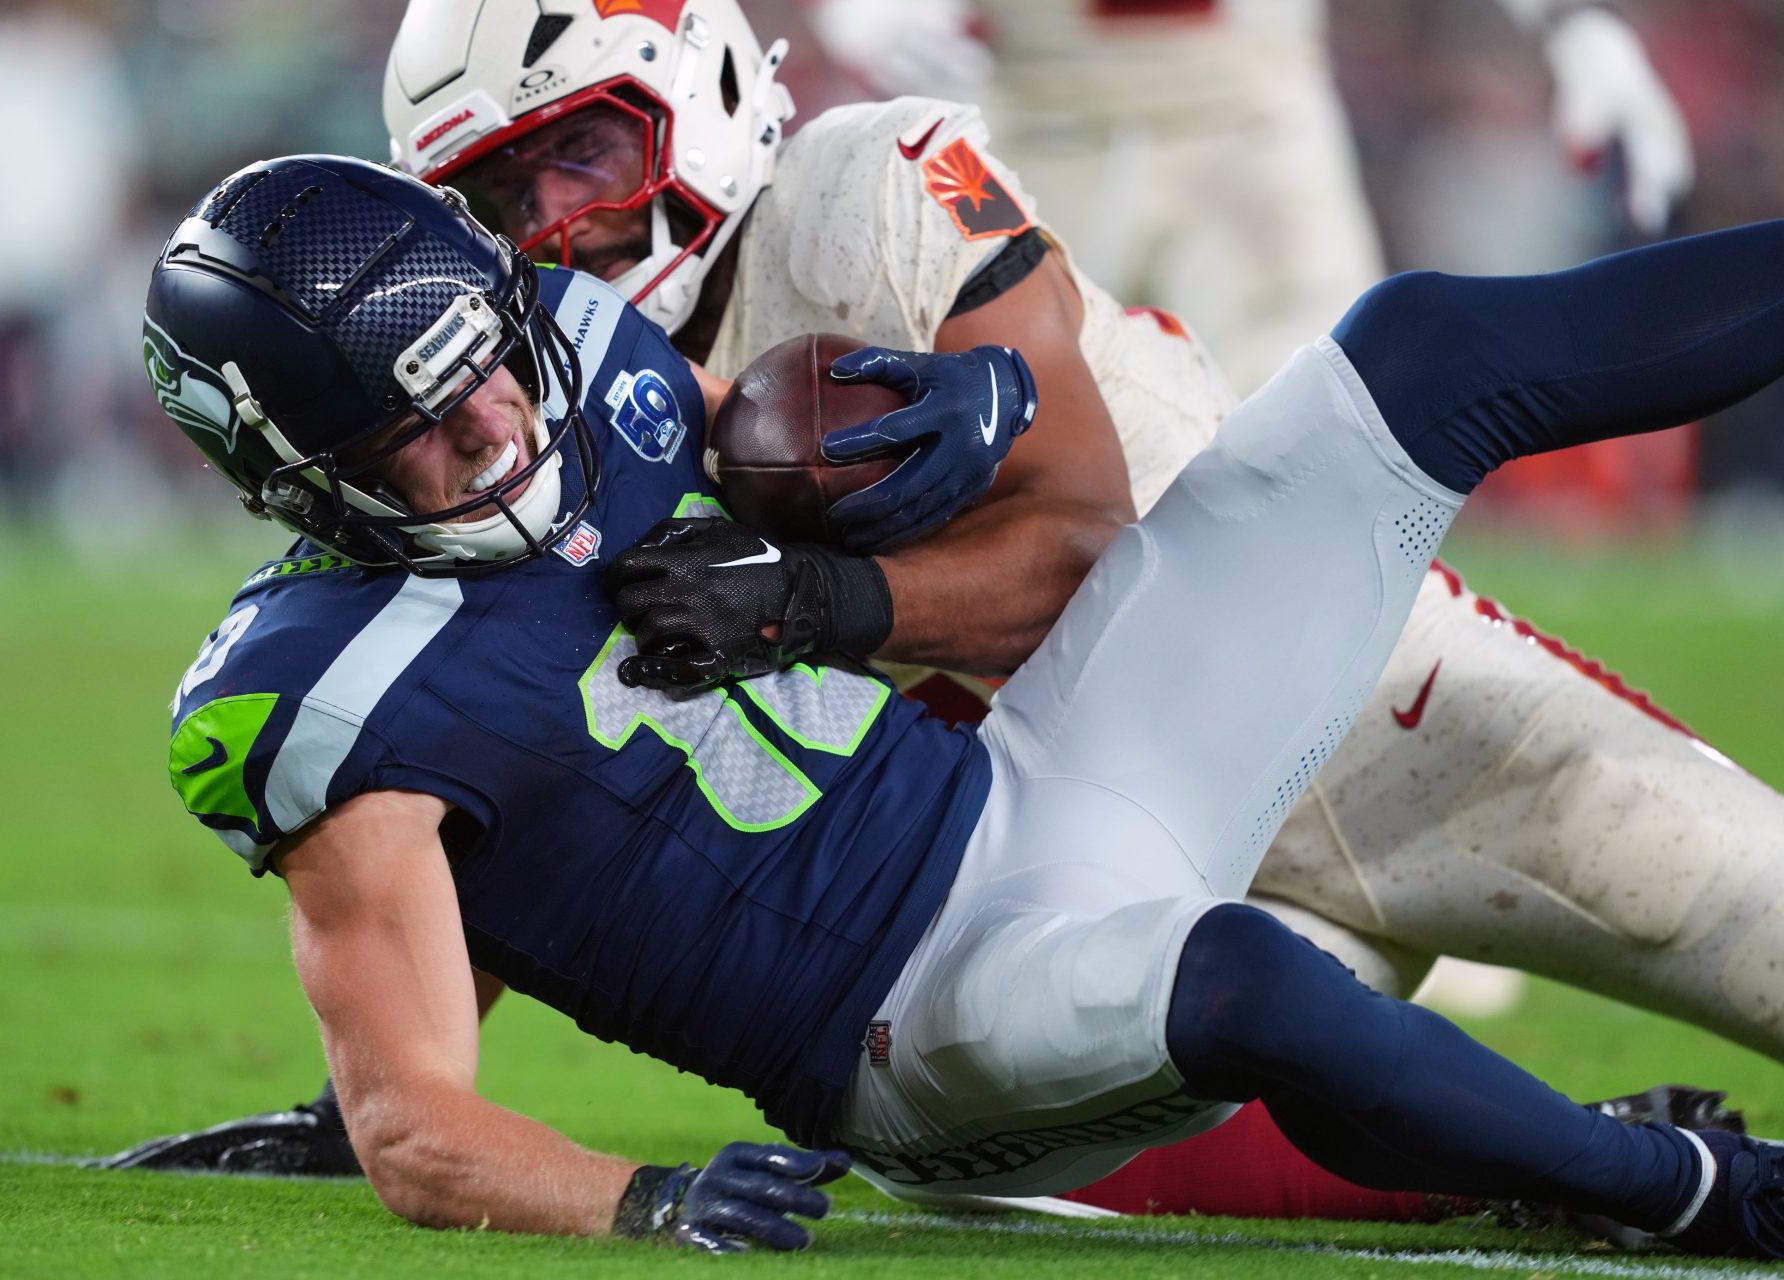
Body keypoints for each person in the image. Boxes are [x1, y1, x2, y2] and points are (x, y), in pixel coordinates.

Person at [107, 0, 1784, 1217]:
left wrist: (904, 494)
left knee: (1423, 350)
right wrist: (399, 1098)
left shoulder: (811, 225)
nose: (562, 226)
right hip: (977, 950)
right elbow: (512, 798)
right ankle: (1681, 1181)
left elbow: (1077, 551)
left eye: (585, 154)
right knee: (1241, 1032)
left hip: (1291, 717)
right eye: (502, 201)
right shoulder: (415, 564)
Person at [805, 0, 1694, 394]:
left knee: (1334, 419)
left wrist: (1579, 27)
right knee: (956, 421)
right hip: (1031, 114)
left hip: (1252, 122)